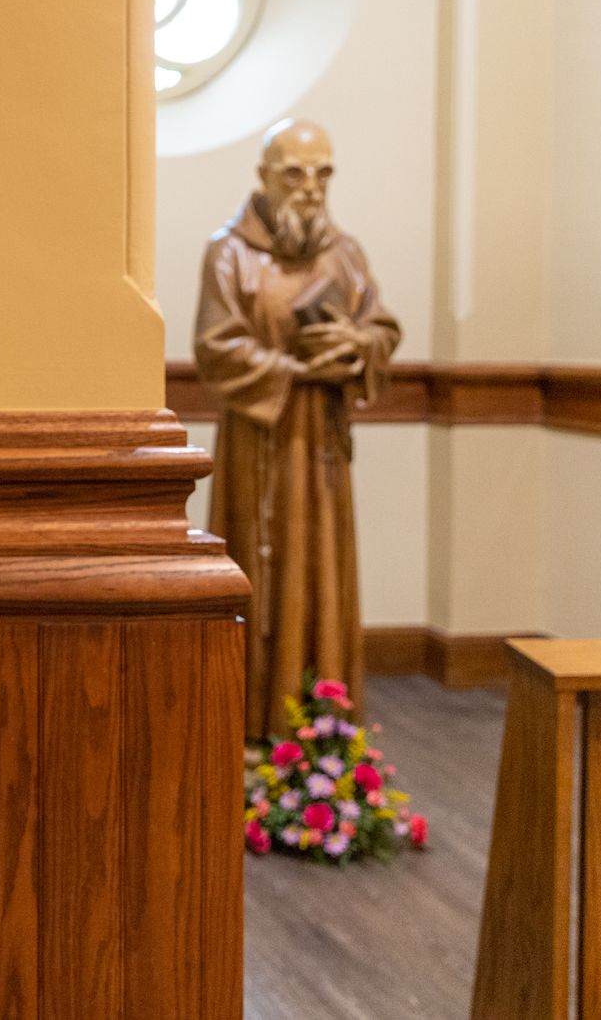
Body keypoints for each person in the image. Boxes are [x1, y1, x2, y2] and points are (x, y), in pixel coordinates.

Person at [193, 120, 401, 739]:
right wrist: (296, 367)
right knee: (261, 569)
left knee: (323, 574)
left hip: (324, 445)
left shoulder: (346, 252)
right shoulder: (229, 252)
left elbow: (382, 325)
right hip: (260, 441)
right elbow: (215, 346)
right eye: (294, 173)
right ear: (264, 176)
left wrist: (358, 341)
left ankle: (325, 728)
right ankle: (253, 724)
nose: (310, 188)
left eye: (323, 173)